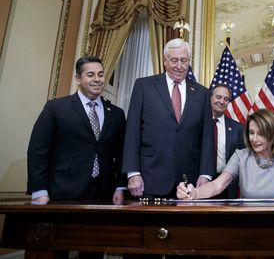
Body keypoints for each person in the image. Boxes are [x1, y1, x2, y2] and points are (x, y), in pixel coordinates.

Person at [27, 56, 126, 259]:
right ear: (78, 78)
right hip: (62, 191)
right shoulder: (56, 107)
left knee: (93, 250)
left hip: (102, 193)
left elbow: (122, 153)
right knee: (57, 250)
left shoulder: (116, 113)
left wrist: (119, 186)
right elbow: (38, 151)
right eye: (90, 75)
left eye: (100, 74)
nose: (97, 79)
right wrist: (38, 190)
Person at [122, 38, 214, 199]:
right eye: (174, 60)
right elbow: (132, 132)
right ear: (165, 60)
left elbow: (207, 137)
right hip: (149, 179)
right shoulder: (144, 86)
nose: (179, 66)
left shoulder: (202, 93)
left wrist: (205, 174)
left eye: (184, 60)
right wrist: (133, 172)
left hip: (189, 182)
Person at [177, 109, 274, 200]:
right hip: (247, 221)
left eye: (261, 134)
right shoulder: (240, 156)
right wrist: (194, 193)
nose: (254, 139)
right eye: (251, 132)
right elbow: (217, 185)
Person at [210, 83, 245, 198]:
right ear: (210, 97)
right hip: (202, 182)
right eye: (218, 97)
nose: (222, 101)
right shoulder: (199, 124)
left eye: (226, 99)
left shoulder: (238, 128)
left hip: (228, 185)